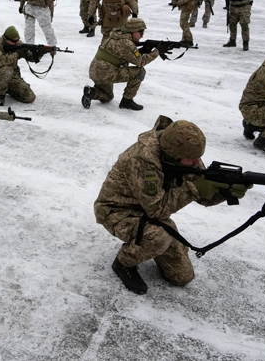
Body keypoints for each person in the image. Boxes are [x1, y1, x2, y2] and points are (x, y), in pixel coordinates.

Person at [94, 116, 244, 294]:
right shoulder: (142, 160)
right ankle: (124, 262)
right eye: (192, 160)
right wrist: (193, 189)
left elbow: (203, 198)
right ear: (172, 155)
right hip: (117, 211)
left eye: (198, 158)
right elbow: (157, 209)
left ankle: (147, 244)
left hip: (149, 212)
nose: (197, 164)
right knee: (159, 236)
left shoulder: (185, 154)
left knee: (182, 277)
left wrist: (224, 191)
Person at [82, 18, 160, 111]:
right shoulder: (127, 43)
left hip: (95, 71)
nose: (142, 36)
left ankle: (92, 92)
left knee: (108, 96)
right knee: (140, 72)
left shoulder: (115, 36)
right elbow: (141, 62)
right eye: (141, 32)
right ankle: (127, 101)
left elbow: (126, 54)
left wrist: (142, 51)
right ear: (134, 31)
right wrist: (157, 52)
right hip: (107, 73)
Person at [0, 26, 36, 106]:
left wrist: (39, 53)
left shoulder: (18, 43)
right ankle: (1, 95)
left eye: (18, 40)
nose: (17, 42)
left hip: (12, 75)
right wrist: (17, 54)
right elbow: (0, 61)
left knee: (29, 97)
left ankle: (7, 88)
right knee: (7, 70)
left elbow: (31, 58)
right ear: (6, 39)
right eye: (14, 41)